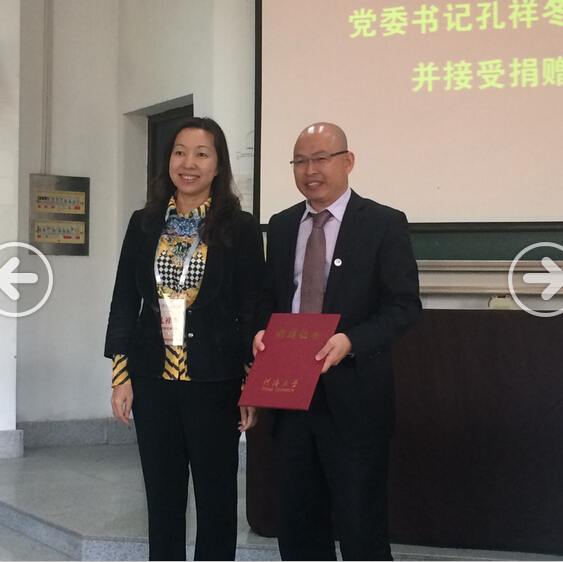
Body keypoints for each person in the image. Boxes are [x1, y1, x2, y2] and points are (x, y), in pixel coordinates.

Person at [253, 122, 421, 561]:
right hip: (289, 396)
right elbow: (270, 298)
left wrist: (351, 340)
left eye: (321, 158)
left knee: (361, 529)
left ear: (348, 161)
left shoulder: (383, 223)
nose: (310, 170)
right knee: (298, 529)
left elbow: (404, 306)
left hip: (354, 400)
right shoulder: (282, 225)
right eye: (300, 161)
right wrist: (260, 331)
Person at [105, 117, 264, 561]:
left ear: (218, 164)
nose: (188, 163)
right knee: (162, 499)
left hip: (215, 381)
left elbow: (251, 310)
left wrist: (251, 385)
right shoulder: (144, 223)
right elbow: (124, 301)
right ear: (168, 161)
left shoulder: (240, 226)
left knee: (217, 502)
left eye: (201, 153)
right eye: (179, 152)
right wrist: (120, 375)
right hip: (152, 379)